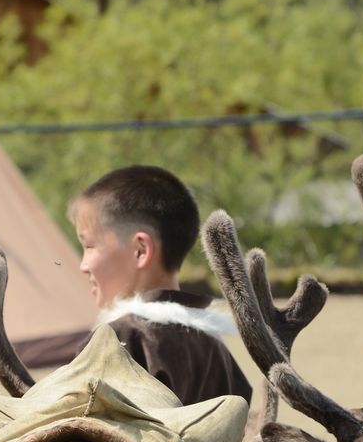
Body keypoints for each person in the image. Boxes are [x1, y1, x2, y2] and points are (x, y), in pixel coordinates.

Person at [70, 165, 252, 406]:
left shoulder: (118, 341)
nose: (83, 265)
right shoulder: (214, 349)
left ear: (140, 250)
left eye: (90, 245)